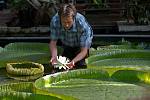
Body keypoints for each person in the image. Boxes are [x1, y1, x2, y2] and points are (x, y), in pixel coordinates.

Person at [49, 3, 93, 71]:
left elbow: (84, 51)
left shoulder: (81, 23)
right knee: (60, 66)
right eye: (64, 22)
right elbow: (53, 42)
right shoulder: (55, 21)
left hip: (80, 45)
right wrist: (54, 57)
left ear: (73, 18)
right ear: (60, 18)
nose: (66, 25)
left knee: (81, 65)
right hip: (67, 43)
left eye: (69, 22)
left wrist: (73, 61)